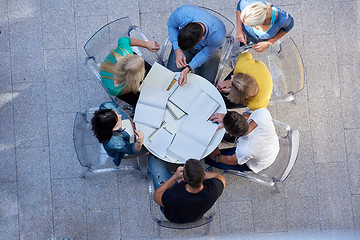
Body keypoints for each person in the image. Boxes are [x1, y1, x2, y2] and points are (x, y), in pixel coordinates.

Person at [149, 155, 225, 223]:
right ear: (204, 174)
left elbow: (156, 196)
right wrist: (196, 174)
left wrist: (174, 177)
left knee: (153, 158)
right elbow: (220, 177)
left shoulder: (173, 195)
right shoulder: (214, 190)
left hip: (174, 218)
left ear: (184, 179)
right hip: (196, 216)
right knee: (200, 156)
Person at [167, 5, 226, 85]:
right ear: (184, 26)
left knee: (206, 84)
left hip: (209, 49)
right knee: (170, 76)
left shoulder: (218, 34)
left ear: (202, 38)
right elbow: (171, 25)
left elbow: (206, 53)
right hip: (186, 42)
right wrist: (177, 49)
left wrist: (189, 68)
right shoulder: (182, 13)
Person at [206, 109, 279, 173]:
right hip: (272, 145)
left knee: (208, 157)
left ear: (231, 134)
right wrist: (229, 120)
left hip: (263, 161)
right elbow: (251, 115)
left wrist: (217, 157)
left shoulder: (245, 150)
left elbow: (233, 161)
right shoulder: (262, 113)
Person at [100, 37, 160, 106]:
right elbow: (133, 88)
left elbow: (124, 39)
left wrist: (146, 44)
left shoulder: (125, 51)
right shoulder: (114, 88)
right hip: (124, 87)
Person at [91, 102, 144, 166]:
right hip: (128, 145)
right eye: (118, 122)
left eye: (116, 113)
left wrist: (130, 120)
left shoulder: (106, 106)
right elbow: (131, 149)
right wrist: (139, 142)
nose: (120, 116)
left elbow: (121, 111)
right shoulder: (114, 143)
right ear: (111, 130)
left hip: (133, 126)